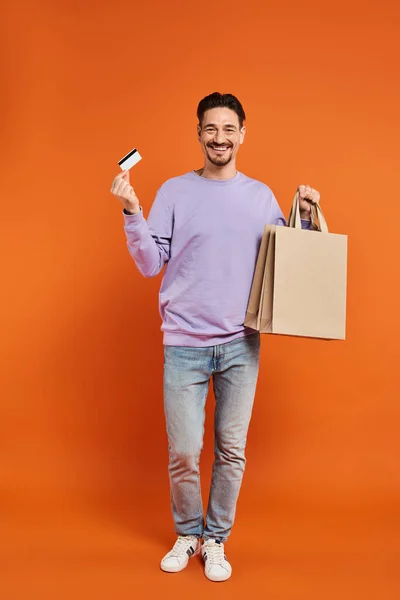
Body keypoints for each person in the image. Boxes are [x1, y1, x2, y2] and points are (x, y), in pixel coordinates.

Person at [110, 92, 320, 582]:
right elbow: (148, 264)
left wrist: (305, 214)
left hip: (240, 345)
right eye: (210, 129)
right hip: (183, 342)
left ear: (242, 134)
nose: (219, 137)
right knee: (183, 450)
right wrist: (132, 213)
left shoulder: (261, 197)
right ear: (199, 134)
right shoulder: (174, 192)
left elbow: (287, 260)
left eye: (228, 129)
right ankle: (189, 532)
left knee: (231, 449)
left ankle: (216, 539)